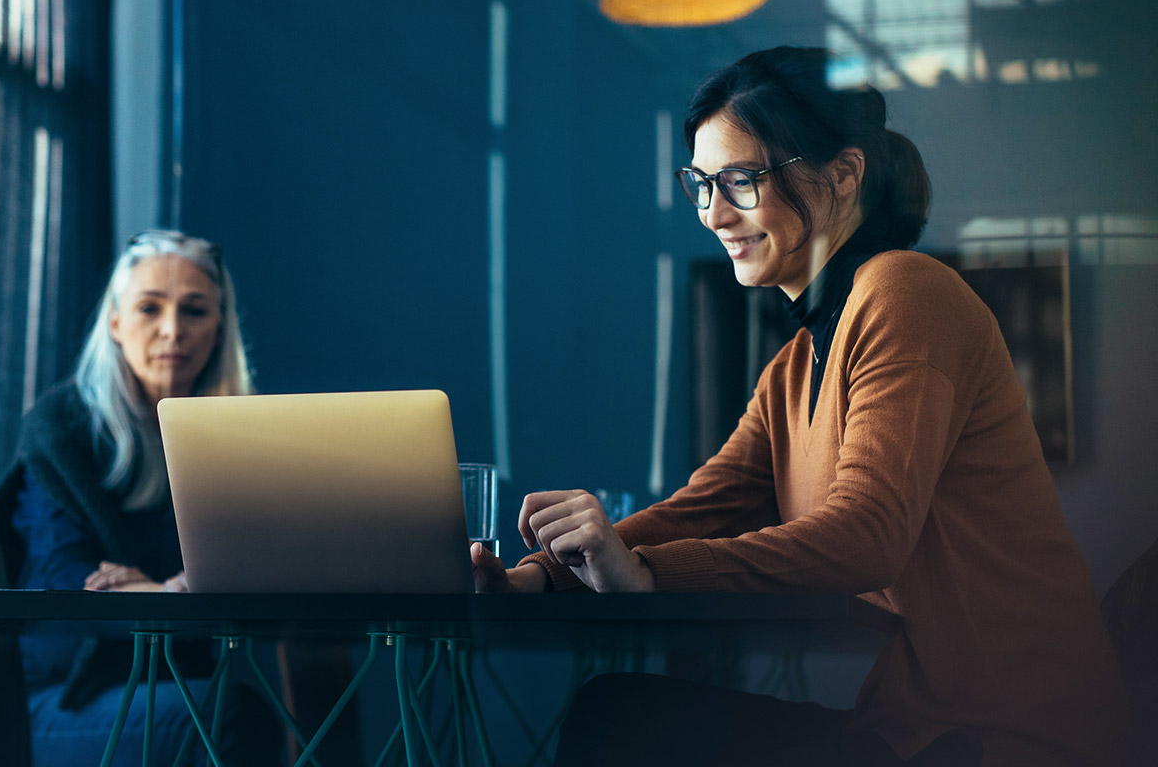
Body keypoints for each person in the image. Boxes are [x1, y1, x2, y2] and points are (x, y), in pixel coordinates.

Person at [471, 47, 1132, 766]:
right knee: (618, 710)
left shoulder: (904, 290)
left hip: (1006, 739)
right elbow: (702, 509)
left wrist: (649, 572)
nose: (714, 213)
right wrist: (543, 571)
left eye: (742, 180)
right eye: (701, 184)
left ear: (845, 175)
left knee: (620, 718)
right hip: (915, 728)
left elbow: (867, 534)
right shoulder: (792, 368)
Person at [0, 229, 277, 766]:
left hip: (179, 684)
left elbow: (261, 567)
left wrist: (171, 590)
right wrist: (173, 596)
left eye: (194, 311)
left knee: (264, 708)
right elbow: (67, 581)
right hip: (59, 700)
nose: (173, 331)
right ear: (117, 324)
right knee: (230, 711)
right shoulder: (62, 426)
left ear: (218, 330)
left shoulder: (237, 438)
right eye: (150, 308)